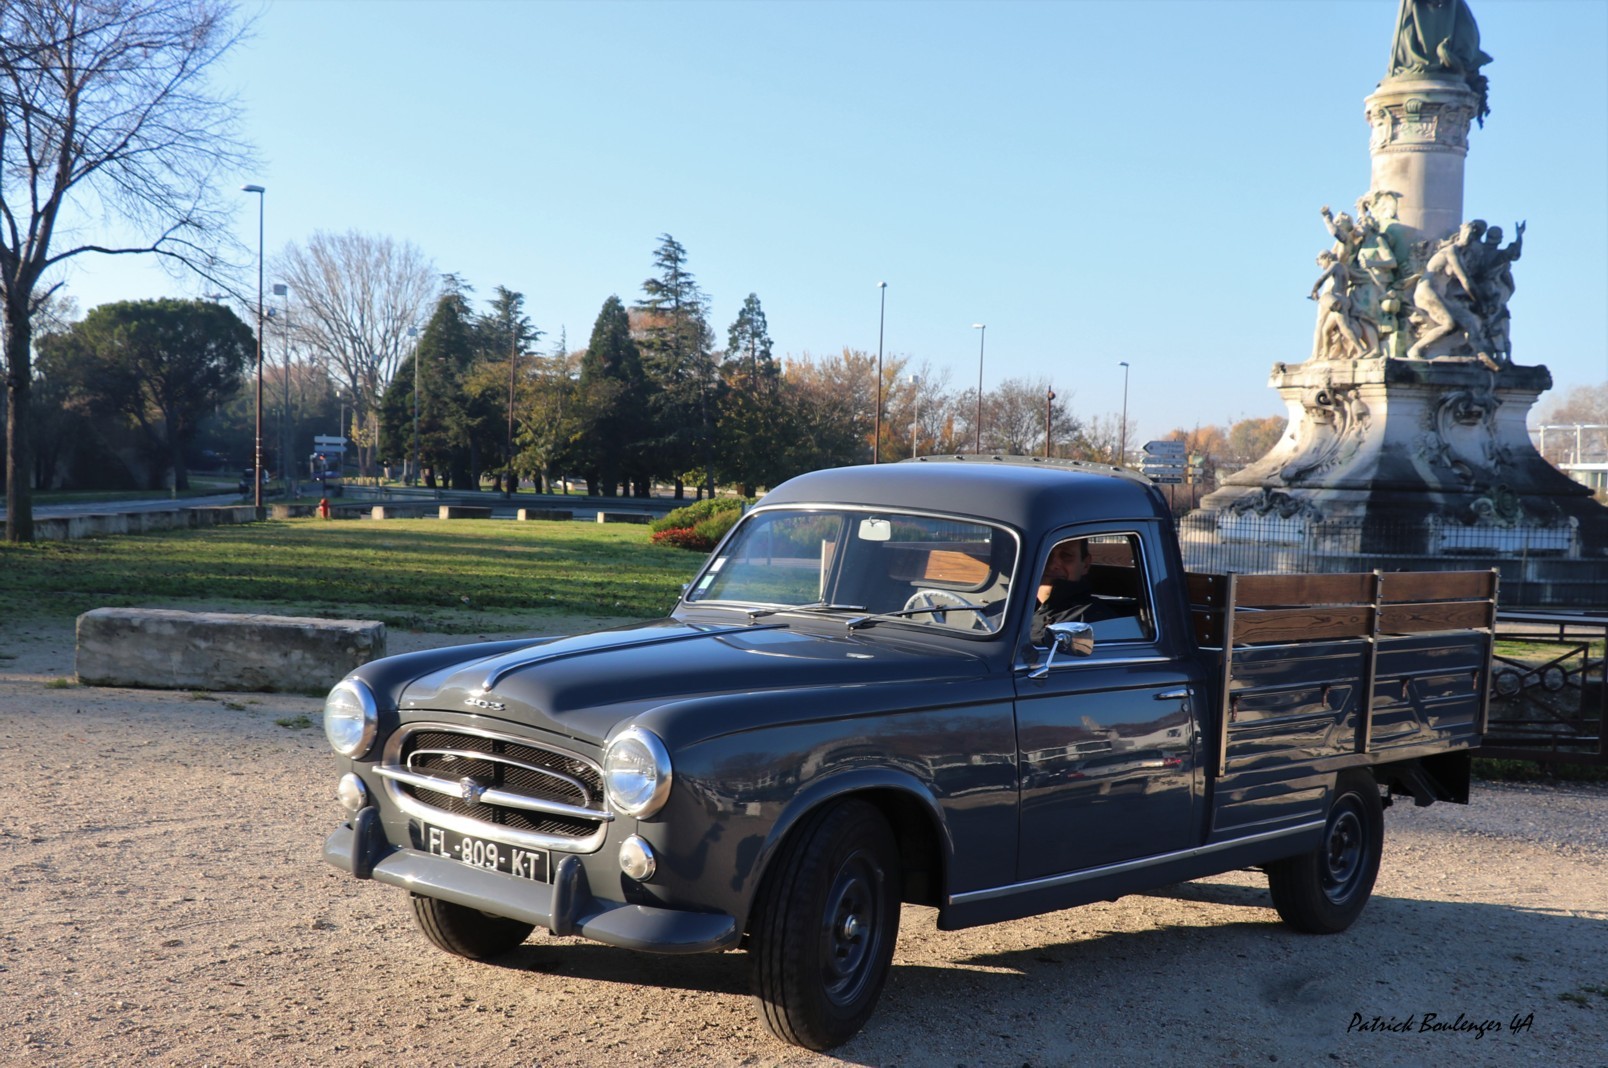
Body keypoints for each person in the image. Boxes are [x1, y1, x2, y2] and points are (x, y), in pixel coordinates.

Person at [1031, 539, 1119, 645]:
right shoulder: (1011, 607)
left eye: (1066, 555)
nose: (1052, 565)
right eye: (1046, 554)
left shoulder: (1096, 620)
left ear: (1085, 565)